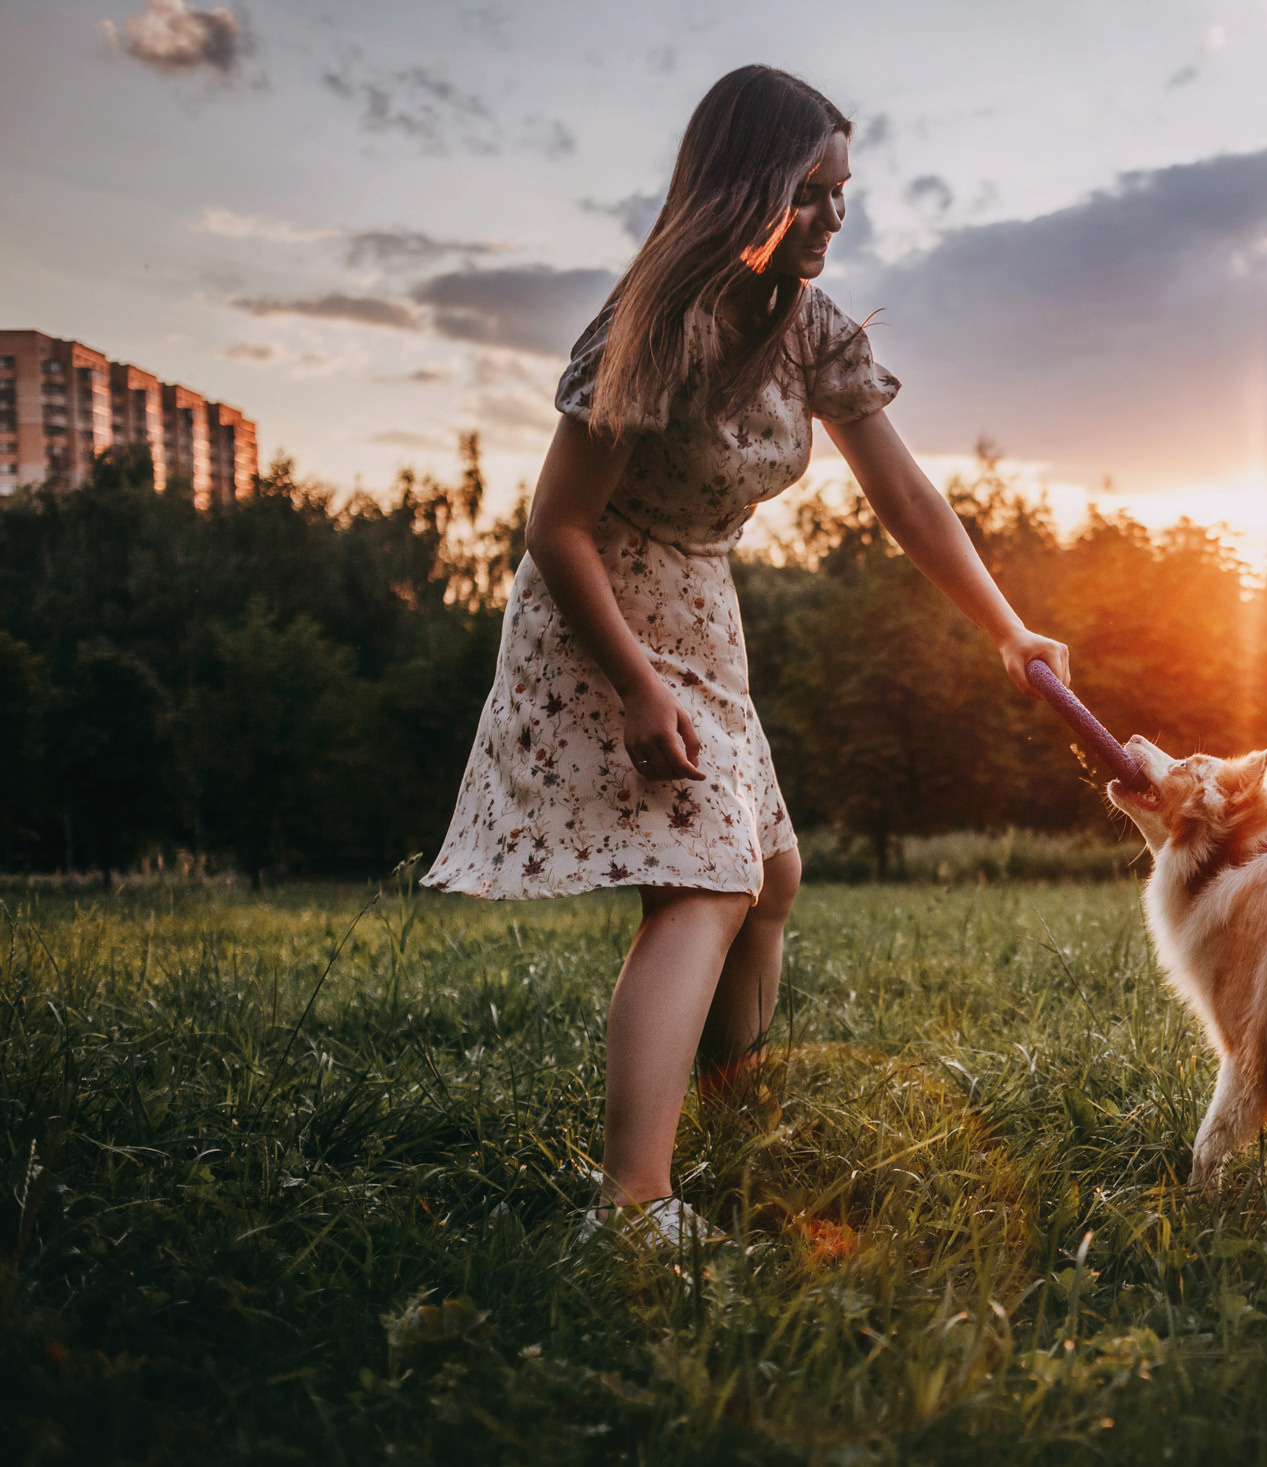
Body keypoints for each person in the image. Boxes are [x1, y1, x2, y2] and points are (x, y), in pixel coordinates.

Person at [423, 65, 1068, 1245]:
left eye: (842, 192)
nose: (833, 216)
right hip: (600, 618)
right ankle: (631, 1205)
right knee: (705, 887)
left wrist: (1006, 625)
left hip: (701, 614)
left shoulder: (805, 323)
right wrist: (636, 687)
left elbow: (907, 496)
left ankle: (727, 1123)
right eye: (810, 191)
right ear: (743, 188)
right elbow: (554, 527)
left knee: (768, 879)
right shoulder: (650, 327)